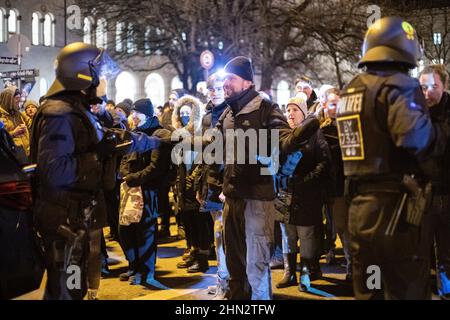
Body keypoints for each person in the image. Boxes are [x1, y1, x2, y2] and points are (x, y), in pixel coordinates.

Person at [30, 42, 162, 300]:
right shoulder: (60, 114)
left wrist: (156, 141)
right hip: (63, 221)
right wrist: (99, 156)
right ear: (83, 75)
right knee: (67, 290)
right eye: (99, 75)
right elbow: (55, 170)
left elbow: (107, 138)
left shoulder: (75, 111)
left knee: (74, 288)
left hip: (74, 218)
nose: (103, 82)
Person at [336, 17, 446, 300]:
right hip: (395, 212)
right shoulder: (399, 85)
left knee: (371, 288)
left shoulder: (352, 89)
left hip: (359, 211)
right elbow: (414, 139)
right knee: (404, 289)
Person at [218, 56, 320, 300]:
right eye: (224, 79)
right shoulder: (228, 113)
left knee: (256, 266)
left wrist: (297, 136)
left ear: (246, 82)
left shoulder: (265, 107)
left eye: (230, 79)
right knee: (234, 266)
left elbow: (283, 138)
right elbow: (216, 148)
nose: (225, 84)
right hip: (232, 199)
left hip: (257, 200)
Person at [276, 96, 331, 291]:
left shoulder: (314, 134)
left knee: (306, 235)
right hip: (284, 194)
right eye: (288, 110)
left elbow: (323, 162)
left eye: (295, 110)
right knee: (287, 235)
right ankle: (289, 272)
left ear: (303, 112)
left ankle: (306, 274)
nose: (290, 114)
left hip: (307, 194)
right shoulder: (282, 133)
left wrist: (307, 180)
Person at [118, 98, 172, 289]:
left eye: (137, 113)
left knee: (145, 233)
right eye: (132, 112)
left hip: (149, 191)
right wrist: (126, 175)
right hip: (131, 189)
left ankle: (146, 272)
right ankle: (134, 266)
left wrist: (135, 178)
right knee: (125, 231)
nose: (133, 116)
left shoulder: (159, 134)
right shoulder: (135, 133)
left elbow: (156, 167)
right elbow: (125, 158)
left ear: (147, 114)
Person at [418, 64, 450, 299]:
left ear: (445, 85)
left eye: (433, 87)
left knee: (446, 247)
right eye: (422, 87)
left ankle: (445, 287)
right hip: (422, 194)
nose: (427, 92)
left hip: (446, 192)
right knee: (422, 247)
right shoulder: (414, 113)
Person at [196, 72, 229, 297]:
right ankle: (221, 280)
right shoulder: (207, 117)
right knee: (217, 236)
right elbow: (204, 153)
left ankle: (229, 283)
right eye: (211, 89)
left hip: (227, 183)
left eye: (219, 88)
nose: (215, 92)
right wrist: (200, 185)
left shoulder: (231, 113)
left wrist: (227, 186)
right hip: (210, 181)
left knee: (226, 235)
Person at [0, 86, 31, 165]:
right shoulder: (1, 116)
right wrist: (13, 133)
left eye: (19, 99)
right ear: (8, 99)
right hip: (10, 159)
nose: (19, 102)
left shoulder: (18, 113)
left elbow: (31, 123)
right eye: (16, 99)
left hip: (26, 155)